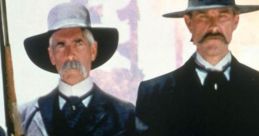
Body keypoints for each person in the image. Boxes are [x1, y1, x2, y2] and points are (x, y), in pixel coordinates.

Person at [136, 0, 259, 136]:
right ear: (189, 22)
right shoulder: (154, 95)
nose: (214, 27)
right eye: (203, 17)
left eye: (222, 16)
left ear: (235, 21)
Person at [19, 2, 136, 136]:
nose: (70, 55)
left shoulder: (124, 116)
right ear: (51, 55)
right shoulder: (26, 117)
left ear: (93, 50)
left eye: (78, 43)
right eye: (61, 45)